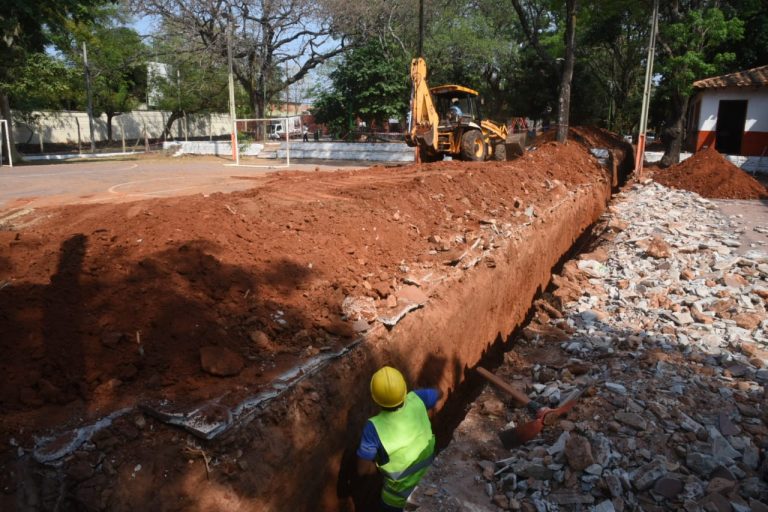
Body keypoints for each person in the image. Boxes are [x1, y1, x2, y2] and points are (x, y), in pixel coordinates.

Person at [357, 366, 440, 512]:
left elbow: (362, 470)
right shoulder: (418, 398)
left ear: (375, 398)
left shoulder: (372, 428)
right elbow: (439, 393)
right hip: (428, 482)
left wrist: (376, 466)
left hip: (396, 501)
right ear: (404, 391)